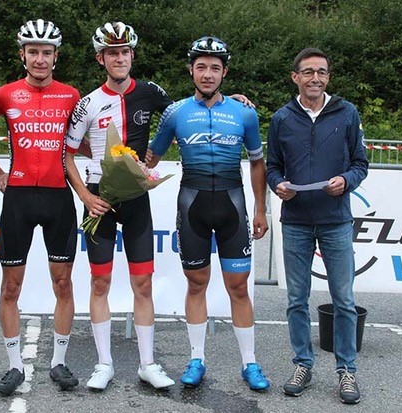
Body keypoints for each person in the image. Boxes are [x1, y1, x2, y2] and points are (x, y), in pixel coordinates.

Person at [147, 36, 270, 391]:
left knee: (239, 287)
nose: (207, 74)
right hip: (193, 207)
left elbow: (257, 162)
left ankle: (250, 363)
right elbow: (150, 159)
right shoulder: (175, 113)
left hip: (233, 205)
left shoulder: (244, 113)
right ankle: (196, 359)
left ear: (224, 73)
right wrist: (120, 169)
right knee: (196, 283)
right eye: (201, 66)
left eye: (215, 68)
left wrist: (261, 210)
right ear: (191, 70)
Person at [64, 21, 177, 391]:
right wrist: (85, 197)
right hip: (100, 197)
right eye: (112, 53)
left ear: (132, 55)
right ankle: (104, 364)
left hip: (136, 197)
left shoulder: (149, 92)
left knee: (142, 282)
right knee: (100, 281)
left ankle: (148, 364)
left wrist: (155, 153)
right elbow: (67, 155)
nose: (119, 58)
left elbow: (183, 116)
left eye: (124, 51)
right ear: (101, 59)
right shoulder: (88, 103)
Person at [0, 19, 81, 395]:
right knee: (11, 287)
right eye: (34, 52)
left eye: (47, 52)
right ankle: (14, 366)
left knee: (63, 282)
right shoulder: (4, 94)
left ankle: (59, 362)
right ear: (22, 54)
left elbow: (94, 130)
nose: (40, 59)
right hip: (18, 199)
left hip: (58, 198)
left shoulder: (71, 95)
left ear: (56, 56)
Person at [265, 47, 368, 404]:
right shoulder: (282, 118)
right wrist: (277, 185)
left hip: (335, 220)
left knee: (344, 300)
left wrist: (346, 180)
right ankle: (302, 364)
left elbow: (360, 164)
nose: (315, 78)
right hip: (295, 221)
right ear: (295, 77)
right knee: (297, 300)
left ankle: (347, 371)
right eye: (308, 72)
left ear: (328, 77)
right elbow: (273, 167)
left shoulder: (347, 113)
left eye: (321, 72)